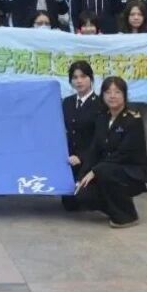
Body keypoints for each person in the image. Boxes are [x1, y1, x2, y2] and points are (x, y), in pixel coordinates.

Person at [74, 76, 147, 228]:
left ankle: (128, 216)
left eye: (117, 92)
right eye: (108, 92)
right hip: (107, 170)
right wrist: (82, 176)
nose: (112, 96)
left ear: (124, 95)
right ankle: (116, 208)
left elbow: (124, 154)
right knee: (82, 195)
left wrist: (95, 171)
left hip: (131, 173)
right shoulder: (102, 118)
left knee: (105, 172)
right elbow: (94, 150)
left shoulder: (133, 120)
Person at [120, 1, 147, 192]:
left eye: (139, 14)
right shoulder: (118, 38)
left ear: (145, 17)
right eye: (132, 14)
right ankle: (129, 175)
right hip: (128, 96)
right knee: (128, 136)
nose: (136, 18)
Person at [60, 61, 101, 212]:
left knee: (85, 199)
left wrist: (81, 157)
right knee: (69, 205)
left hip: (91, 161)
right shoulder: (67, 102)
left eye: (83, 76)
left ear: (91, 78)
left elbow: (99, 139)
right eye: (75, 77)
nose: (79, 81)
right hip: (70, 161)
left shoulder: (100, 104)